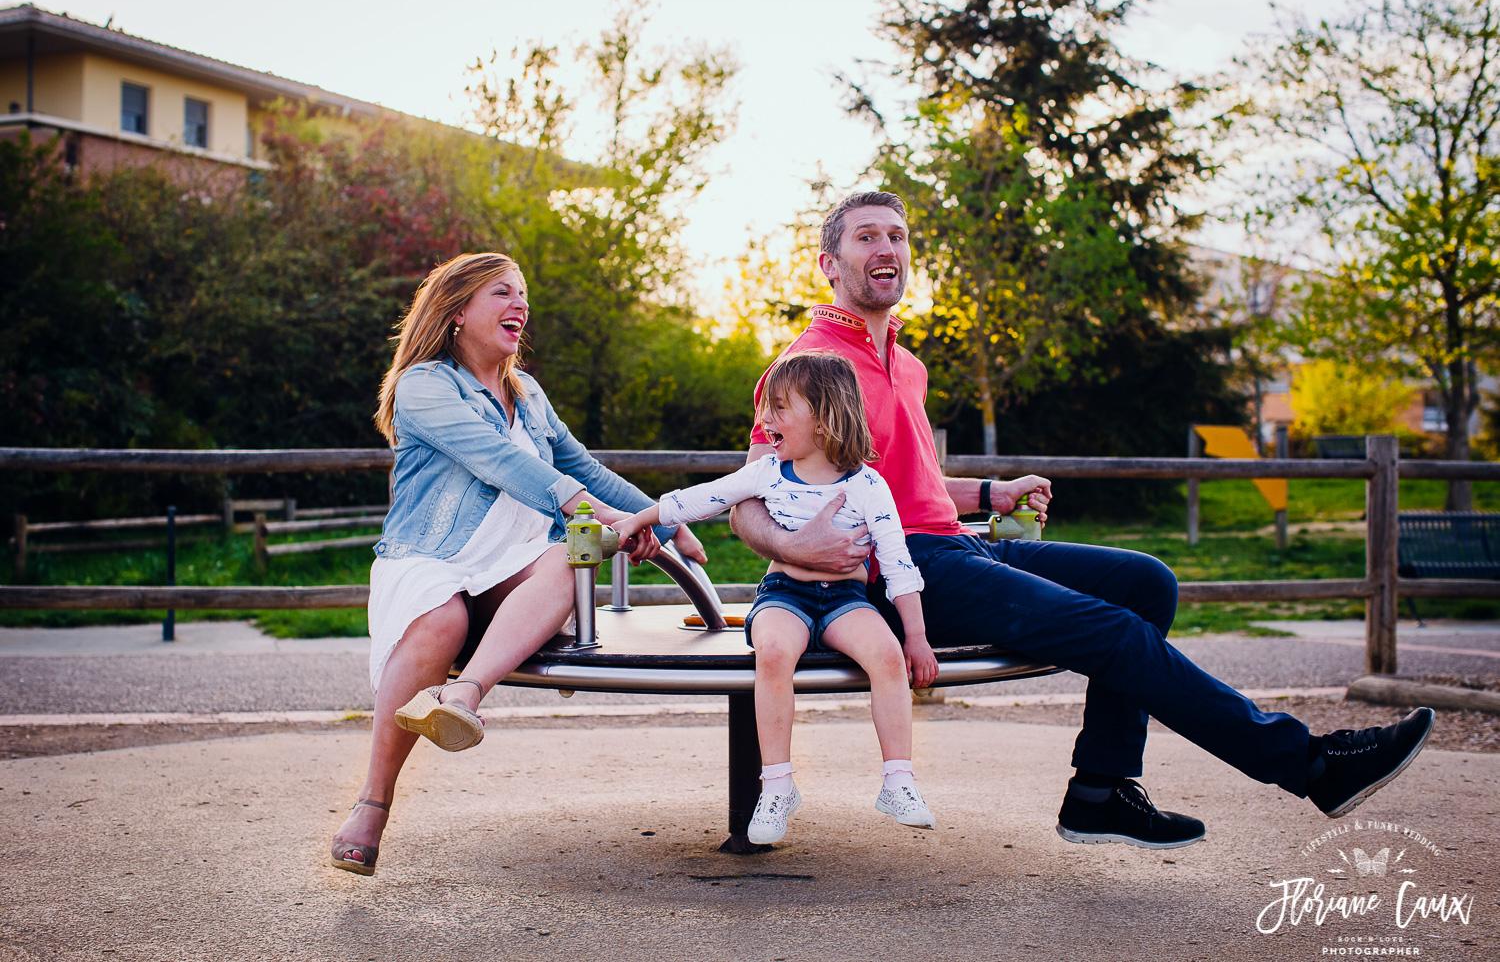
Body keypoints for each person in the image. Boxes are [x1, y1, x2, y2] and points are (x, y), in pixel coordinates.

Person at [728, 192, 1434, 851]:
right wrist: (795, 544)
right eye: (866, 237)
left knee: (1146, 583)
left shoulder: (903, 362)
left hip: (958, 545)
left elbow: (899, 482)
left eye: (898, 235)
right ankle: (1311, 762)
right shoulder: (808, 366)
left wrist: (988, 493)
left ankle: (1100, 788)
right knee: (1115, 633)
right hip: (900, 574)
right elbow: (748, 502)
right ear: (830, 264)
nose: (888, 248)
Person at [330, 252, 706, 876]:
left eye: (524, 294)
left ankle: (464, 697)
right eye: (502, 292)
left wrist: (665, 520)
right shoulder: (425, 385)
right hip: (433, 558)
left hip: (511, 565)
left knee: (563, 558)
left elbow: (581, 467)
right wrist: (607, 519)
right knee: (441, 622)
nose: (520, 305)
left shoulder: (527, 392)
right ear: (456, 312)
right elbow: (504, 465)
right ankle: (373, 802)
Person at [614, 351, 939, 845]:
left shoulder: (869, 486)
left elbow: (898, 564)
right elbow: (704, 497)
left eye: (780, 408)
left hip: (846, 599)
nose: (765, 419)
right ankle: (778, 784)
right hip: (785, 595)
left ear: (826, 417)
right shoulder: (766, 471)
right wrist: (643, 518)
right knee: (773, 652)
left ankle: (898, 779)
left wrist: (915, 637)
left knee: (887, 656)